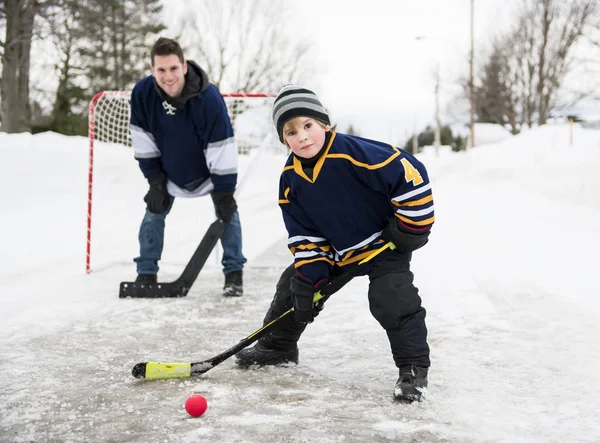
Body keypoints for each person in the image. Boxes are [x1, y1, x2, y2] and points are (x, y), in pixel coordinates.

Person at [235, 85, 434, 402]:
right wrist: (311, 273)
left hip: (385, 244)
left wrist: (413, 225)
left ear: (324, 124)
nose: (301, 136)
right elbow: (304, 233)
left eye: (308, 125)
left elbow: (410, 171)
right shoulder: (290, 179)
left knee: (391, 298)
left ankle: (413, 368)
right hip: (340, 252)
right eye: (291, 131)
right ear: (283, 139)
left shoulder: (352, 153)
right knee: (292, 286)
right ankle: (276, 347)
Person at [129, 37, 246, 297]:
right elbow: (143, 139)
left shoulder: (209, 98)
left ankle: (233, 274)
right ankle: (146, 272)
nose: (168, 76)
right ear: (152, 70)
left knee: (227, 213)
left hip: (209, 171)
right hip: (169, 171)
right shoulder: (142, 94)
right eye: (161, 70)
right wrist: (155, 181)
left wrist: (225, 190)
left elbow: (222, 145)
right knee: (153, 211)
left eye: (173, 68)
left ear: (184, 66)